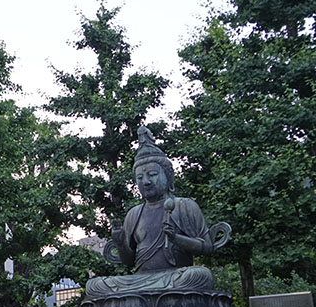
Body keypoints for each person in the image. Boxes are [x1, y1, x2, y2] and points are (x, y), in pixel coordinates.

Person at [86, 127, 220, 297]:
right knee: (95, 286)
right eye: (140, 178)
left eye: (152, 174)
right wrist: (120, 243)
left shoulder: (184, 206)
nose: (146, 182)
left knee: (200, 275)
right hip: (140, 280)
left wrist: (176, 238)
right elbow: (128, 261)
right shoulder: (134, 214)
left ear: (168, 176)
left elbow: (207, 247)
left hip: (176, 277)